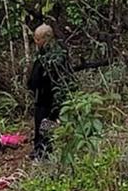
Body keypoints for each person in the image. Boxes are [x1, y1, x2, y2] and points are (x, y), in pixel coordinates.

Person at [25, 24, 107, 159]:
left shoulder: (53, 57)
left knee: (45, 124)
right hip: (43, 97)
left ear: (46, 39)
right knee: (42, 124)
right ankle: (41, 148)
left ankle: (44, 150)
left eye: (38, 39)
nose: (36, 42)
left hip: (49, 98)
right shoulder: (49, 53)